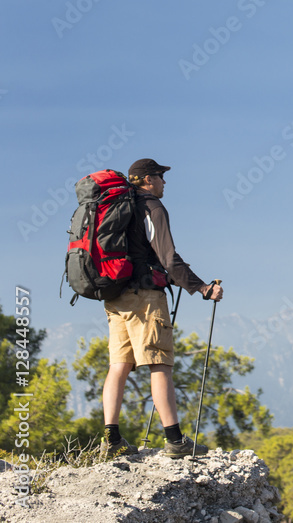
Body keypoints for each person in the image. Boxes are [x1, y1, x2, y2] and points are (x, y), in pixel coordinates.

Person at [100, 158, 224, 458]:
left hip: (115, 295)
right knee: (160, 363)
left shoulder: (116, 207)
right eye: (160, 176)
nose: (164, 182)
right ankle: (175, 440)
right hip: (145, 297)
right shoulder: (152, 207)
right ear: (146, 179)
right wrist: (202, 288)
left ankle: (111, 440)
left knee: (119, 366)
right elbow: (168, 257)